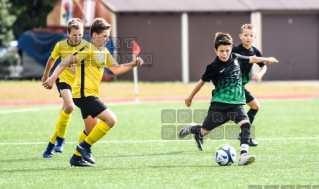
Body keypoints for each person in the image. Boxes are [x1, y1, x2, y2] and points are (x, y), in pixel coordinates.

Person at [42, 18, 144, 167]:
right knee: (111, 120)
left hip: (90, 95)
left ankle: (76, 158)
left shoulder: (103, 52)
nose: (107, 38)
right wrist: (52, 78)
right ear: (95, 35)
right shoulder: (87, 49)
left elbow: (116, 69)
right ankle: (84, 147)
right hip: (84, 95)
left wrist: (133, 64)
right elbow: (66, 61)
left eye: (108, 36)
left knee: (90, 130)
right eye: (104, 36)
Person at [178, 32, 278, 166]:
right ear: (215, 50)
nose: (225, 54)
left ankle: (243, 156)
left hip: (236, 104)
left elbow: (252, 59)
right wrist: (190, 97)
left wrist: (268, 59)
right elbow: (201, 82)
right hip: (219, 105)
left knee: (246, 124)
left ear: (231, 49)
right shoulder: (212, 67)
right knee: (204, 131)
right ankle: (192, 128)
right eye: (221, 51)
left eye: (227, 51)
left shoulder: (236, 57)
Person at [41, 18, 92, 158]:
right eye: (75, 34)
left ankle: (51, 145)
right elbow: (51, 60)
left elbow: (92, 66)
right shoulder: (61, 45)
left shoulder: (87, 46)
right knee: (70, 106)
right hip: (63, 80)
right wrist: (46, 76)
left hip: (77, 84)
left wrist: (81, 69)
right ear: (68, 33)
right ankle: (61, 139)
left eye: (80, 34)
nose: (78, 37)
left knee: (64, 113)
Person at [232, 24, 267, 147]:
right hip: (233, 87)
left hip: (241, 86)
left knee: (255, 107)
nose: (248, 37)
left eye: (251, 35)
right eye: (245, 35)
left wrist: (259, 74)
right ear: (240, 36)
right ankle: (198, 129)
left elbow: (263, 65)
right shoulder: (234, 50)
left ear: (255, 37)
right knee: (225, 115)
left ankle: (244, 135)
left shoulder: (255, 51)